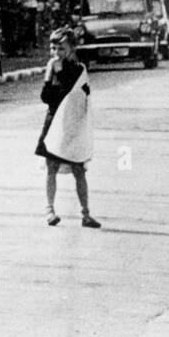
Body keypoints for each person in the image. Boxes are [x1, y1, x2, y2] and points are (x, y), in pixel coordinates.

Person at [35, 28, 101, 228]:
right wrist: (50, 73)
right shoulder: (52, 66)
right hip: (54, 120)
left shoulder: (79, 69)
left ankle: (86, 214)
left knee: (78, 168)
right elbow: (46, 97)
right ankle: (49, 209)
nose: (56, 52)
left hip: (73, 124)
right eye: (53, 47)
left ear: (72, 48)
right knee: (51, 167)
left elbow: (78, 96)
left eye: (61, 48)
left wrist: (59, 71)